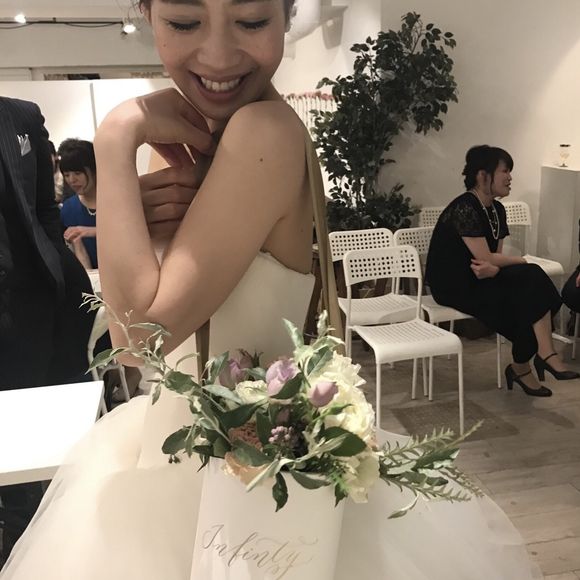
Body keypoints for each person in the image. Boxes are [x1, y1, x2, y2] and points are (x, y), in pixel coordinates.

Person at [1, 5, 541, 579]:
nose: (217, 55)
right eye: (184, 23)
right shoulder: (201, 133)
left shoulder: (262, 131)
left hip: (230, 475)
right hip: (206, 450)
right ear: (147, 13)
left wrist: (114, 137)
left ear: (286, 16)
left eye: (252, 21)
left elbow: (136, 343)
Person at [0, 97, 96, 560]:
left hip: (40, 305)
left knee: (52, 451)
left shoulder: (20, 116)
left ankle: (49, 551)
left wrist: (58, 270)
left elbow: (43, 208)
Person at [426, 145, 579, 397]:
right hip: (454, 283)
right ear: (482, 175)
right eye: (504, 171)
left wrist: (498, 267)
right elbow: (486, 257)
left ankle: (535, 358)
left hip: (482, 274)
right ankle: (532, 362)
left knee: (531, 288)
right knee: (527, 287)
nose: (509, 177)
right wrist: (519, 261)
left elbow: (493, 259)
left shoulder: (497, 210)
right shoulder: (465, 207)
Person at [58, 138, 98, 269]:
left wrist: (91, 231)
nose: (72, 180)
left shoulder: (117, 201)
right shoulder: (68, 209)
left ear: (94, 169)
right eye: (66, 175)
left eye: (77, 173)